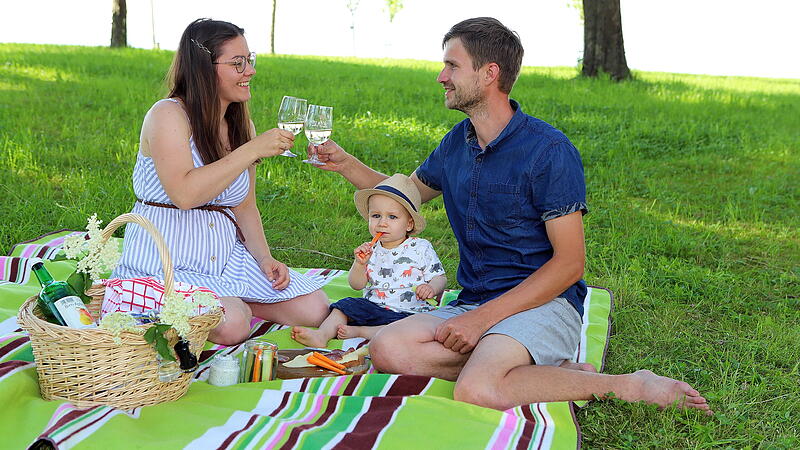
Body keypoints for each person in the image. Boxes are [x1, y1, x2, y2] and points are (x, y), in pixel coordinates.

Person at [310, 17, 712, 414]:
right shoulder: (457, 143)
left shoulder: (549, 152)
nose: (440, 76)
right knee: (387, 347)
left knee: (477, 390)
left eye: (452, 65)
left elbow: (571, 263)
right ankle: (536, 367)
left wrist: (482, 321)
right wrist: (346, 163)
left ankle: (627, 385)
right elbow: (406, 195)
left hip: (543, 303)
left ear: (489, 73)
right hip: (475, 301)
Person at [111, 18, 329, 345]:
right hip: (166, 260)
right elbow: (185, 194)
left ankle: (228, 299)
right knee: (233, 326)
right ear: (202, 68)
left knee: (315, 308)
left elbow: (245, 204)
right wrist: (251, 150)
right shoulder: (168, 115)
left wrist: (264, 259)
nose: (250, 71)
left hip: (225, 259)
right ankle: (211, 304)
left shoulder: (241, 123)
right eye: (237, 63)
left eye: (249, 60)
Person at [292, 174, 446, 347]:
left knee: (410, 328)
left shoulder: (421, 248)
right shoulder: (370, 249)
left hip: (409, 312)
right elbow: (356, 285)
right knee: (344, 306)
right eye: (376, 216)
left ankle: (361, 331)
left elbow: (440, 277)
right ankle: (321, 334)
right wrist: (360, 264)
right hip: (372, 308)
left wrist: (431, 287)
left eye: (392, 217)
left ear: (409, 224)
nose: (382, 223)